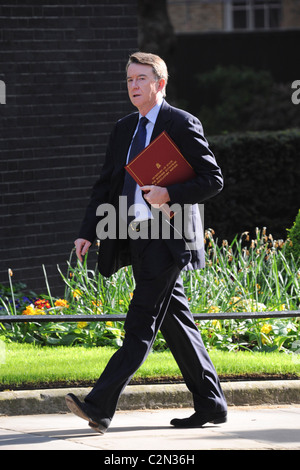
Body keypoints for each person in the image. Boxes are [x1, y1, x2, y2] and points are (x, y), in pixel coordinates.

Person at [65, 52, 227, 434]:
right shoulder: (123, 128)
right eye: (129, 80)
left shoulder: (181, 123)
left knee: (140, 323)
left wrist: (168, 194)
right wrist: (88, 230)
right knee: (177, 323)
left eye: (141, 79)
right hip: (133, 235)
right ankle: (212, 404)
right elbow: (105, 185)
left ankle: (99, 406)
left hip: (167, 240)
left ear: (160, 83)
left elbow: (212, 180)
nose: (133, 86)